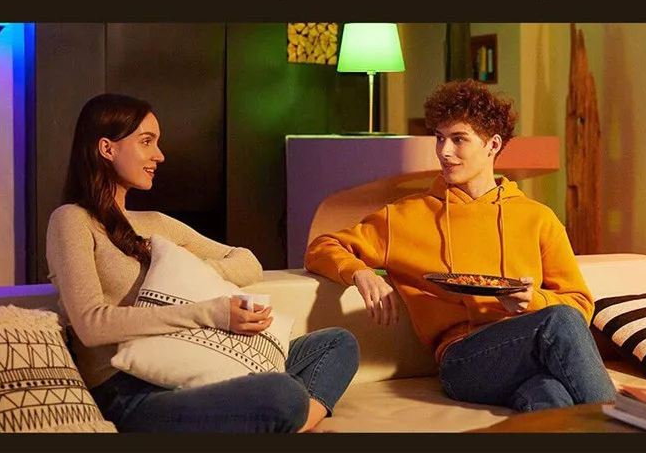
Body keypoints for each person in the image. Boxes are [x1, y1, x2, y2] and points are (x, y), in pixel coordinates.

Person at [46, 93, 359, 433]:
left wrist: (190, 271)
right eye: (146, 142)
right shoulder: (72, 220)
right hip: (130, 390)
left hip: (192, 358)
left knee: (338, 343)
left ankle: (298, 424)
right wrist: (209, 312)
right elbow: (91, 325)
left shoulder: (156, 224)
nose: (159, 155)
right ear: (107, 148)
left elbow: (248, 262)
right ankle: (287, 417)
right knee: (282, 393)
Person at [304, 79, 616, 413]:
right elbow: (322, 246)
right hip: (463, 361)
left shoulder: (538, 218)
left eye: (458, 139)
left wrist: (532, 301)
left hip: (524, 351)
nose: (444, 151)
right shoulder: (404, 217)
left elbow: (579, 306)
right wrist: (360, 272)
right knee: (559, 322)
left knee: (550, 396)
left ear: (492, 144)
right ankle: (627, 423)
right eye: (439, 138)